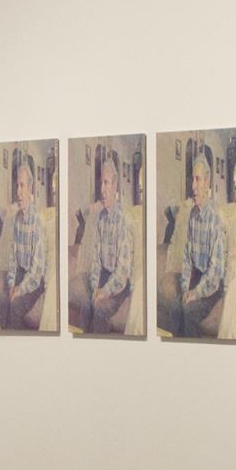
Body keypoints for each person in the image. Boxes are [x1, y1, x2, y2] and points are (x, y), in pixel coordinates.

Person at [164, 138, 232, 339]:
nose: (194, 186)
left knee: (189, 309)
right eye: (192, 179)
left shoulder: (215, 218)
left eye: (198, 180)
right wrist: (185, 287)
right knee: (175, 306)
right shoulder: (192, 215)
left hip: (211, 284)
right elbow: (186, 258)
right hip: (195, 277)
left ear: (208, 183)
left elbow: (215, 272)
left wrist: (195, 293)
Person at [72, 143, 139, 337]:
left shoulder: (123, 220)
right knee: (87, 304)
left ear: (115, 187)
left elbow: (122, 272)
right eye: (101, 183)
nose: (103, 189)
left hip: (119, 281)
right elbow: (96, 260)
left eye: (107, 183)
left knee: (100, 309)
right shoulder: (101, 218)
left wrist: (104, 291)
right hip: (104, 275)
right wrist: (94, 287)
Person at [0, 144, 50, 332]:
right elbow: (13, 259)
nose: (18, 192)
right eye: (17, 186)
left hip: (35, 280)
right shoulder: (16, 220)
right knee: (3, 299)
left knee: (14, 306)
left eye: (22, 186)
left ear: (30, 190)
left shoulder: (37, 221)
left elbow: (37, 272)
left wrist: (20, 289)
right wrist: (12, 283)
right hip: (21, 274)